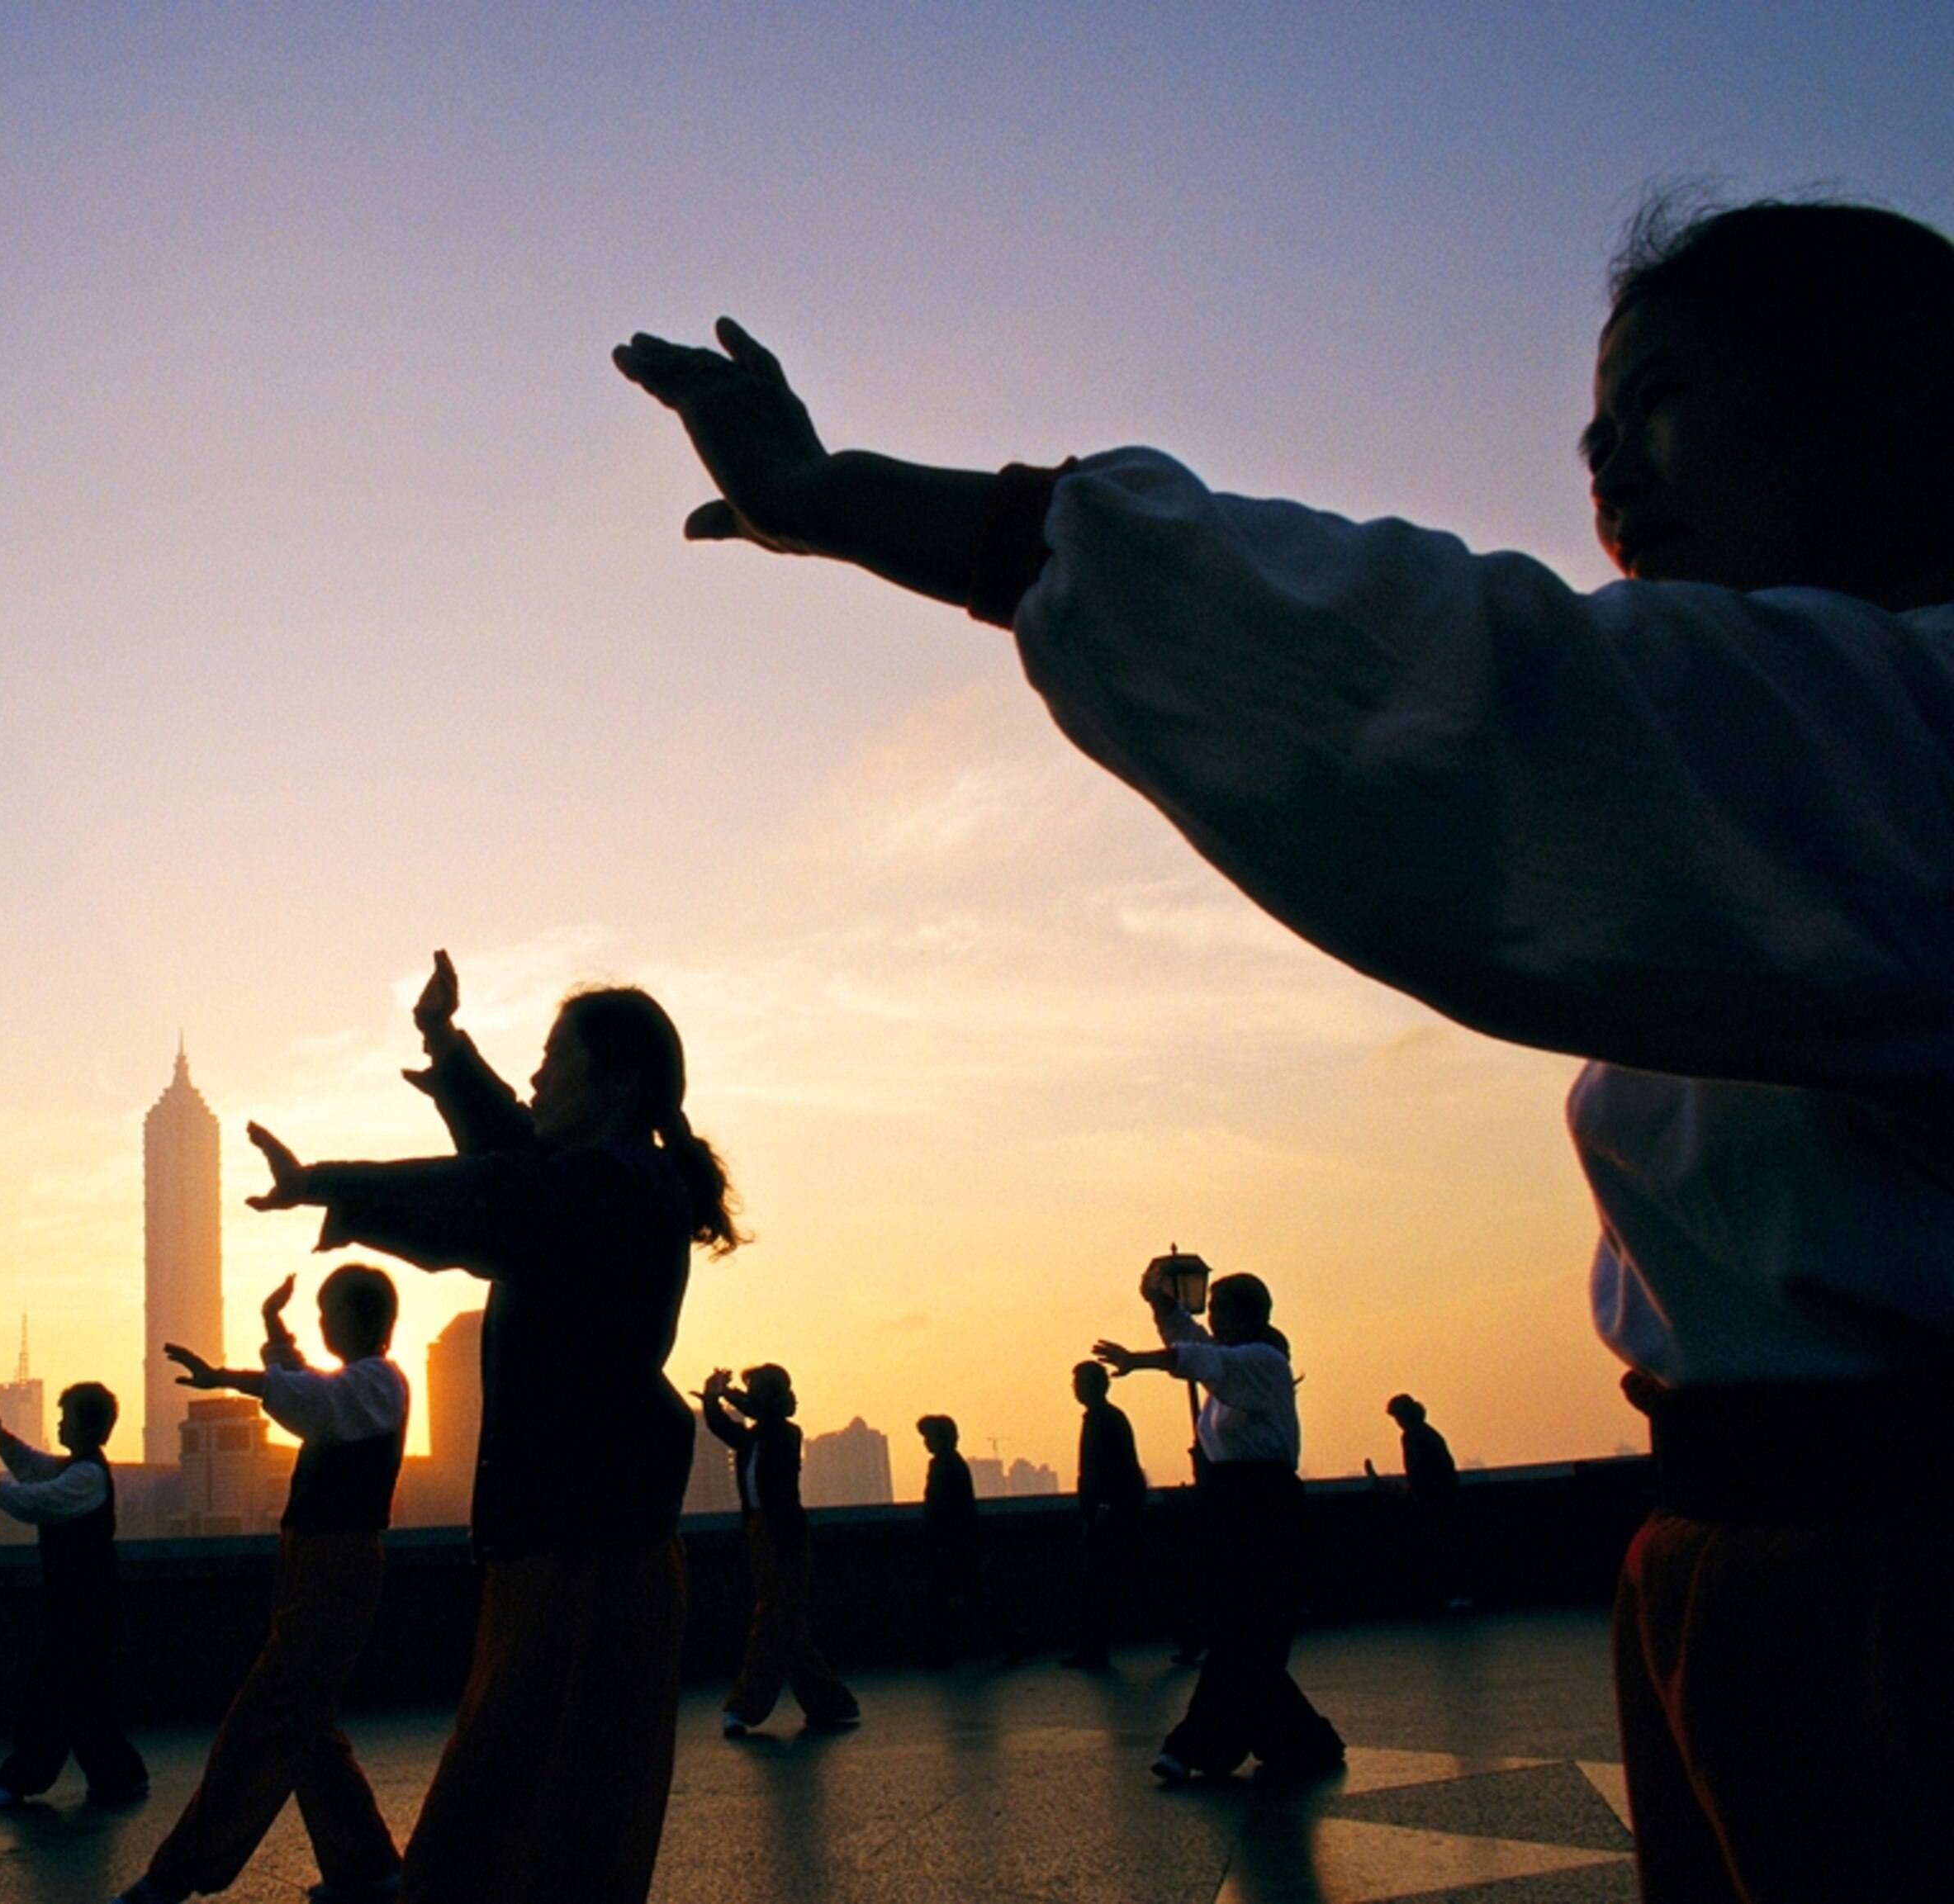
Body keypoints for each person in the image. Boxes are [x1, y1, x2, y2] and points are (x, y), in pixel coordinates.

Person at [617, 197, 1954, 1898]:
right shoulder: (1807, 745)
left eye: (1667, 399)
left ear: (1904, 390)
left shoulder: (1898, 734)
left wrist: (865, 507)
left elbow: (1436, 691)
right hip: (1747, 1584)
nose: (1611, 469)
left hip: (1892, 1610)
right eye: (1591, 433)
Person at [243, 949, 739, 1904]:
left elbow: (497, 1189)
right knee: (539, 1828)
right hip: (571, 1544)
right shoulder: (610, 1176)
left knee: (527, 1834)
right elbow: (515, 1156)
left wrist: (324, 1183)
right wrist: (445, 1044)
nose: (538, 1073)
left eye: (555, 1055)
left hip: (587, 1555)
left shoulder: (617, 1189)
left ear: (619, 1079)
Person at [109, 1266, 410, 1904]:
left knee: (263, 1720)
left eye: (330, 1313)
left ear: (360, 1318)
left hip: (337, 1564)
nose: (323, 1323)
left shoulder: (380, 1383)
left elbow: (310, 1399)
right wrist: (275, 1330)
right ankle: (368, 1869)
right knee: (305, 1723)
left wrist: (228, 1379)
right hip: (313, 1561)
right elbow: (308, 1390)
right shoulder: (364, 1385)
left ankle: (173, 1877)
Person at [1095, 1263, 1343, 1780]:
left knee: (1244, 1631)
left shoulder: (1263, 1363)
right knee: (1250, 1636)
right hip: (1234, 1507)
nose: (1213, 1319)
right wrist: (1158, 1302)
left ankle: (1193, 1746)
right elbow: (1196, 1343)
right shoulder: (1238, 1360)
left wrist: (1139, 1361)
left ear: (1248, 1316)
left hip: (1263, 1509)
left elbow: (1198, 1355)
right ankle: (1302, 1741)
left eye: (1221, 1311)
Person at [0, 1381, 149, 1812]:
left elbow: (39, 1499)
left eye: (66, 1418)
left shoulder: (85, 1477)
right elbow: (39, 1469)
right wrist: (4, 1441)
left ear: (86, 1428)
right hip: (81, 1602)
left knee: (52, 1690)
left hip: (85, 1604)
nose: (60, 1425)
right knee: (86, 1695)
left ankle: (19, 1780)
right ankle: (121, 1778)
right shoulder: (80, 1469)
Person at [699, 1362, 861, 1735]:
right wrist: (714, 1398)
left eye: (757, 1390)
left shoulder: (784, 1433)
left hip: (783, 1533)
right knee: (786, 1626)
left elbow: (762, 1417)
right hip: (761, 1532)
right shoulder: (756, 1436)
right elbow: (725, 1427)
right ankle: (833, 1704)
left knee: (772, 1620)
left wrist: (725, 1394)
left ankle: (744, 1707)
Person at [914, 1414, 1016, 1668]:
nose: (927, 1443)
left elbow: (941, 1507)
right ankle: (1012, 1642)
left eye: (930, 1437)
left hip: (952, 1544)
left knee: (944, 1599)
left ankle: (940, 1654)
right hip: (959, 1543)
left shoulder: (944, 1466)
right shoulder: (953, 1464)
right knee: (972, 1597)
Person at [1065, 1360, 1145, 1670]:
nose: (1076, 1389)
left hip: (1111, 1513)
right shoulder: (1106, 1418)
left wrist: (1103, 1509)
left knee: (1100, 1585)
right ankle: (1187, 1634)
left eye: (1080, 1383)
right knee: (1129, 1579)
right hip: (1115, 1511)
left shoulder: (1104, 1420)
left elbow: (1111, 1471)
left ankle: (1093, 1651)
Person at [1365, 1394, 1463, 1614]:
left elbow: (1419, 1478)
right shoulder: (1429, 1434)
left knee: (1437, 1550)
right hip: (1444, 1497)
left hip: (1432, 1500)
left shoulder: (1413, 1437)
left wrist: (1386, 1486)